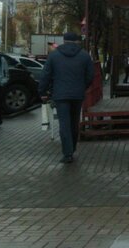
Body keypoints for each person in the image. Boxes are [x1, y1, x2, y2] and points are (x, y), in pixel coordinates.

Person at [38, 32, 95, 164]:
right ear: (77, 41)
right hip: (77, 95)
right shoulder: (85, 56)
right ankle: (72, 148)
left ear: (63, 41)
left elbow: (45, 75)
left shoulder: (54, 55)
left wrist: (42, 91)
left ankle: (67, 154)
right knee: (74, 123)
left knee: (64, 124)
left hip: (60, 95)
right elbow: (90, 76)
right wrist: (82, 87)